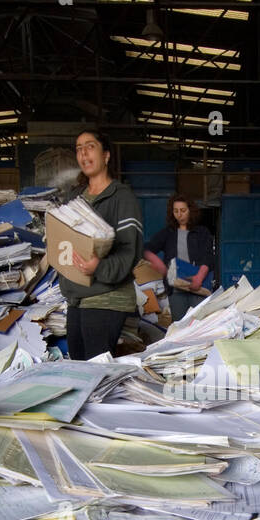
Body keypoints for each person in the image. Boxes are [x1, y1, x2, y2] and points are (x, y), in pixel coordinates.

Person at [56, 129, 143, 359]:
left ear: (106, 156)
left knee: (96, 369)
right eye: (78, 149)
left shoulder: (121, 196)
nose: (83, 153)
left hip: (107, 296)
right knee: (78, 364)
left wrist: (99, 267)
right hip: (77, 296)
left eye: (90, 146)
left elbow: (129, 251)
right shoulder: (74, 198)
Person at [143, 195, 215, 323]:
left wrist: (199, 277)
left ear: (190, 211)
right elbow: (147, 249)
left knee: (198, 324)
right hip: (176, 289)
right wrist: (157, 262)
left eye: (183, 210)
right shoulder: (168, 233)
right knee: (179, 325)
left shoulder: (202, 232)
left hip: (199, 287)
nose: (179, 215)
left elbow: (208, 257)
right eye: (176, 211)